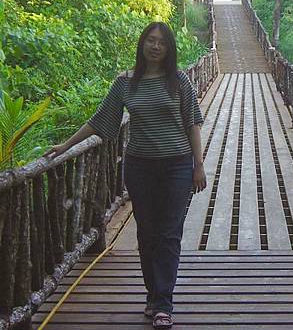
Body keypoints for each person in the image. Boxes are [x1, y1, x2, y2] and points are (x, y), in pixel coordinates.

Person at [45, 22, 207, 329]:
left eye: (161, 42)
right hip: (140, 166)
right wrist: (66, 145)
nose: (155, 46)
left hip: (177, 165)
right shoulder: (125, 82)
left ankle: (163, 303)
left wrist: (198, 165)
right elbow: (100, 121)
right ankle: (152, 295)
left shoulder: (179, 80)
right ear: (142, 44)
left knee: (169, 233)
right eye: (150, 40)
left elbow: (193, 123)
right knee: (146, 232)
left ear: (169, 48)